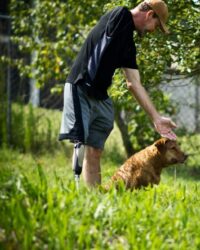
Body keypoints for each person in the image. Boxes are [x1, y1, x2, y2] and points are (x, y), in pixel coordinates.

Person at [59, 0, 177, 187]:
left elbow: (134, 83)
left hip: (100, 95)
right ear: (149, 15)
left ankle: (94, 197)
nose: (153, 30)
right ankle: (75, 190)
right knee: (80, 143)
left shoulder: (128, 45)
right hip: (80, 86)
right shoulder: (120, 15)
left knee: (95, 150)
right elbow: (120, 25)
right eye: (157, 24)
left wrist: (156, 118)